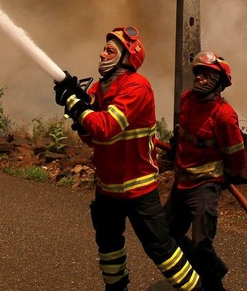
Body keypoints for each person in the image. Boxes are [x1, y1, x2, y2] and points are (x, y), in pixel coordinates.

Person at [54, 26, 202, 291]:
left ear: (126, 57)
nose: (101, 54)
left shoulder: (137, 86)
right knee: (109, 248)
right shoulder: (99, 88)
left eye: (110, 50)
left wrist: (78, 108)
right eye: (104, 48)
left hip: (138, 188)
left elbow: (107, 126)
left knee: (161, 250)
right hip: (107, 188)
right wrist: (79, 117)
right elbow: (93, 138)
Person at [165, 50, 247, 291]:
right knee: (166, 234)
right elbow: (182, 132)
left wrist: (230, 177)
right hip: (181, 182)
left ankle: (214, 281)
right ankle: (202, 271)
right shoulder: (187, 99)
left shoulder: (224, 115)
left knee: (201, 243)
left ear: (219, 83)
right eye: (198, 73)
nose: (200, 78)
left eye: (207, 75)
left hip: (205, 186)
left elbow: (235, 153)